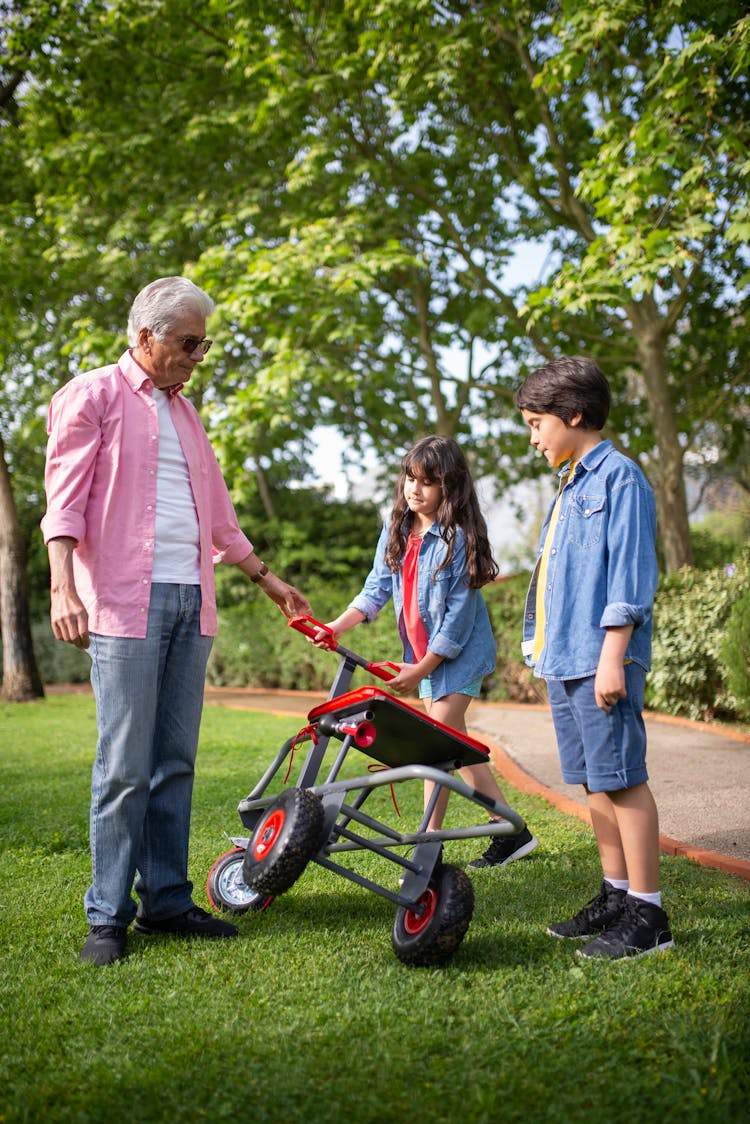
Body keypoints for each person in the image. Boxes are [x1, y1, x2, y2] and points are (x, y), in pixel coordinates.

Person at [41, 276, 312, 966]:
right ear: (145, 337)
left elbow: (218, 516)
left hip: (192, 599)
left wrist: (271, 582)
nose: (199, 355)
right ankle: (108, 915)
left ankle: (165, 901)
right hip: (124, 605)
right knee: (124, 766)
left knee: (174, 762)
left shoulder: (186, 415)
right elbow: (64, 504)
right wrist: (61, 588)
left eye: (204, 343)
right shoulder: (93, 396)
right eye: (190, 343)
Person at [314, 435, 538, 868]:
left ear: (449, 487)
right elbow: (376, 588)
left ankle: (426, 847)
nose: (414, 489)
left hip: (457, 658)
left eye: (428, 482)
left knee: (430, 749)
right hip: (425, 660)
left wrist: (420, 670)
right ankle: (514, 833)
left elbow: (456, 621)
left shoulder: (458, 539)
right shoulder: (397, 528)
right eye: (410, 478)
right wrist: (335, 628)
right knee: (456, 745)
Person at [515, 355, 673, 960]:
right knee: (595, 785)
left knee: (624, 782)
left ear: (574, 414)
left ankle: (649, 913)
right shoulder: (572, 482)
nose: (533, 438)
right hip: (568, 659)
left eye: (536, 424)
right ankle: (615, 893)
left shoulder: (620, 479)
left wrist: (613, 658)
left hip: (603, 660)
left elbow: (629, 578)